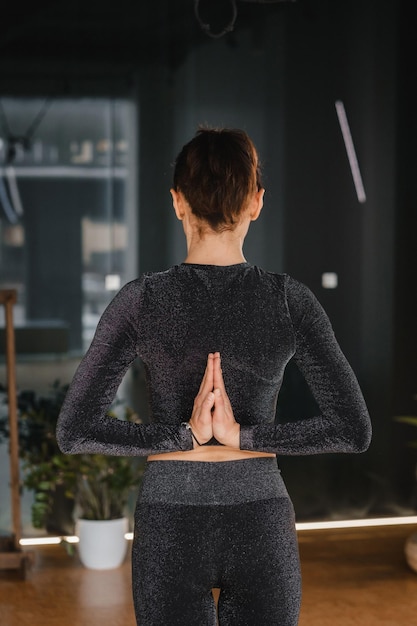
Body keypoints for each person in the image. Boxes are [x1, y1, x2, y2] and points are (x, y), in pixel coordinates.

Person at [57, 127, 372, 625]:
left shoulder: (141, 300)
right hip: (261, 523)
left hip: (168, 527)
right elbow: (353, 430)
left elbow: (74, 431)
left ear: (178, 202)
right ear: (256, 202)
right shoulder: (289, 300)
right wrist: (244, 436)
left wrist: (184, 436)